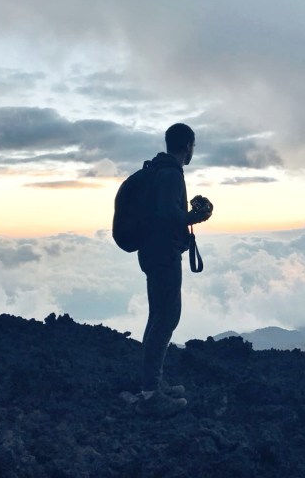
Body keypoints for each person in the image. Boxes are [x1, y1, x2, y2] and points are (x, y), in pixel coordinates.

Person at [135, 123, 212, 409]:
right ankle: (151, 394)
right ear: (188, 145)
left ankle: (153, 384)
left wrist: (187, 216)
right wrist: (194, 217)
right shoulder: (170, 175)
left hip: (152, 253)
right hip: (163, 255)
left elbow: (161, 212)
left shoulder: (158, 170)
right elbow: (168, 214)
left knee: (158, 317)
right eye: (194, 146)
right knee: (166, 319)